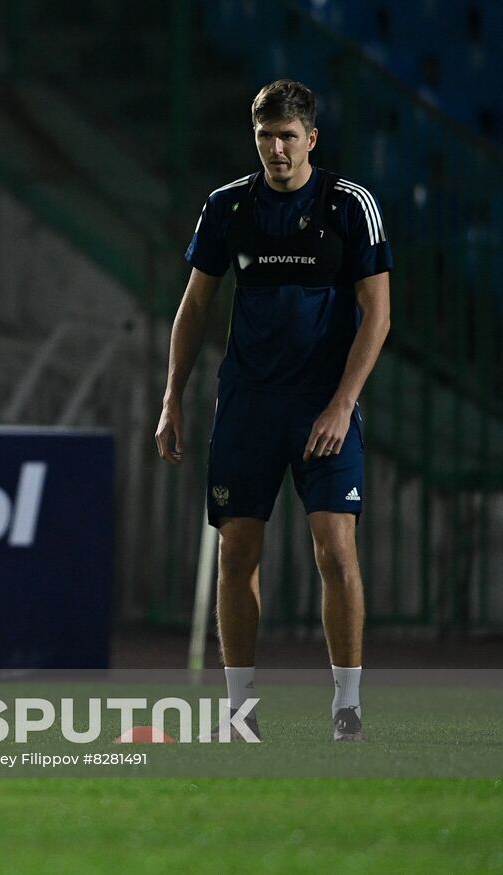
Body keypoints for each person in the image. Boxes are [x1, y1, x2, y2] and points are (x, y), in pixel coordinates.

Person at [154, 79, 393, 741]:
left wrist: (344, 403)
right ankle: (240, 706)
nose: (277, 149)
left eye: (289, 136)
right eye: (266, 137)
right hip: (249, 404)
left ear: (311, 138)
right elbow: (195, 305)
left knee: (335, 550)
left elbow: (379, 313)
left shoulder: (350, 206)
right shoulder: (228, 207)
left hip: (323, 406)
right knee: (237, 553)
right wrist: (172, 396)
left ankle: (347, 704)